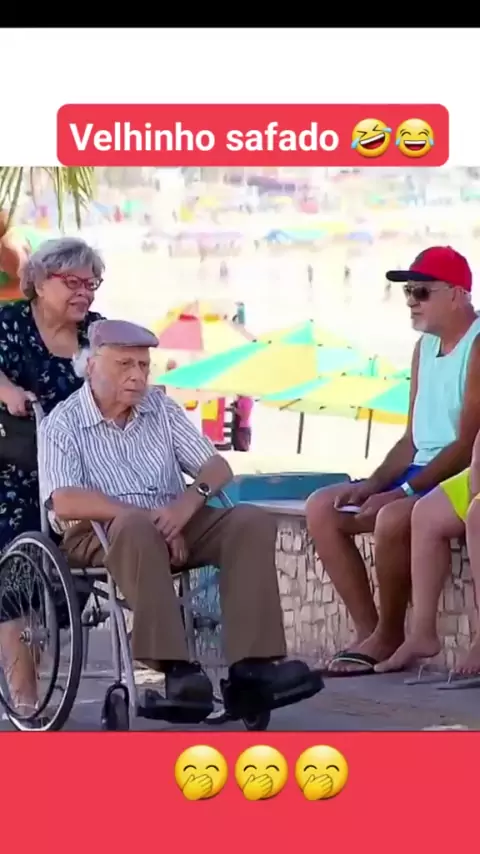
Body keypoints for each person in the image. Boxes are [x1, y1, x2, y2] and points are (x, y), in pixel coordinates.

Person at [39, 319, 322, 720]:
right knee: (136, 529)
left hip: (176, 519)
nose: (137, 376)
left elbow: (216, 466)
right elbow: (65, 501)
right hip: (100, 532)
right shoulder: (63, 423)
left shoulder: (160, 408)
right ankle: (177, 672)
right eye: (124, 365)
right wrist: (150, 520)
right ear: (92, 366)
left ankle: (252, 669)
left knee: (250, 522)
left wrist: (184, 507)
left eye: (143, 365)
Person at [306, 246, 480, 675]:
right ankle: (371, 632)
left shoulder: (477, 345)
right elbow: (411, 439)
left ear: (457, 294)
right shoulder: (424, 347)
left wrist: (401, 492)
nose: (411, 302)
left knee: (391, 517)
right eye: (407, 292)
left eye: (421, 292)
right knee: (322, 507)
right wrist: (373, 483)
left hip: (457, 471)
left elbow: (466, 444)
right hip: (421, 469)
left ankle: (390, 633)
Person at [0, 236, 104, 713]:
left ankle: (33, 665)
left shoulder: (99, 334)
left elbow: (127, 373)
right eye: (73, 282)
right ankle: (24, 696)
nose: (85, 292)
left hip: (82, 471)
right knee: (17, 566)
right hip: (20, 468)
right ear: (40, 283)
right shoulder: (10, 323)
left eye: (92, 284)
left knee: (67, 580)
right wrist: (6, 389)